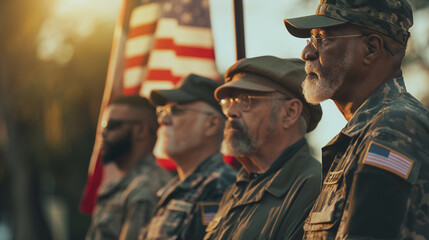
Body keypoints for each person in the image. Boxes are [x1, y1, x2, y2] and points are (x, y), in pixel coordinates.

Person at [284, 0, 429, 239]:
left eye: (321, 38)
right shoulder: (365, 132)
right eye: (310, 39)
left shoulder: (393, 129)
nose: (307, 52)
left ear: (371, 48)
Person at [203, 56, 323, 240]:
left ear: (290, 112)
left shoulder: (314, 188)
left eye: (245, 100)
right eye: (228, 102)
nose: (230, 112)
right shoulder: (236, 190)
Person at [140, 74, 236, 240]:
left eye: (176, 110)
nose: (163, 119)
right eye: (162, 111)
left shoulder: (221, 187)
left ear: (212, 124)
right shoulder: (173, 189)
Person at [86, 95, 173, 240]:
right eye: (102, 125)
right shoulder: (121, 185)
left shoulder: (147, 188)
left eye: (111, 125)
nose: (103, 133)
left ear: (141, 130)